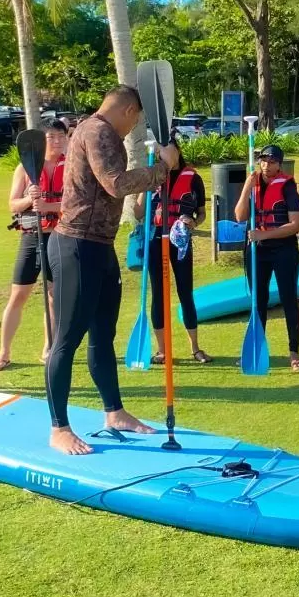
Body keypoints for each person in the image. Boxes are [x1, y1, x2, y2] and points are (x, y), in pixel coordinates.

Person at [47, 85, 176, 455]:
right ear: (130, 110)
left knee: (102, 336)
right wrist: (162, 167)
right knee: (66, 341)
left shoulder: (97, 130)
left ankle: (114, 412)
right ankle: (58, 428)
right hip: (75, 245)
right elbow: (115, 184)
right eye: (135, 120)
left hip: (99, 247)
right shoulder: (98, 130)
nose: (132, 127)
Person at [0, 120, 68, 371]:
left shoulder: (72, 166)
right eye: (51, 137)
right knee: (18, 296)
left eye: (60, 137)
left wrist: (48, 206)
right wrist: (29, 198)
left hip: (59, 236)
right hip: (32, 237)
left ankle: (50, 346)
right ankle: (4, 351)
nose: (56, 141)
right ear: (41, 141)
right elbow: (13, 205)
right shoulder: (24, 170)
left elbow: (75, 202)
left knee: (55, 295)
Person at [133, 138, 211, 365]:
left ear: (177, 151)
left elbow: (202, 214)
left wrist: (194, 223)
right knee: (158, 294)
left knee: (185, 293)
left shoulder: (193, 178)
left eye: (169, 149)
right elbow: (139, 213)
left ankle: (195, 348)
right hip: (156, 240)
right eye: (161, 151)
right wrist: (138, 189)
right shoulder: (152, 176)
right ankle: (162, 350)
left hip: (180, 241)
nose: (165, 154)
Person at [234, 143, 299, 371]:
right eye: (263, 160)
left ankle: (294, 353)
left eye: (272, 161)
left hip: (284, 249)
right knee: (258, 301)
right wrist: (247, 186)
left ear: (279, 164)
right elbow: (239, 216)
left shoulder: (288, 187)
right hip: (258, 251)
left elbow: (295, 225)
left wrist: (265, 233)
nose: (266, 165)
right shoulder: (253, 184)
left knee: (288, 300)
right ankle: (257, 347)